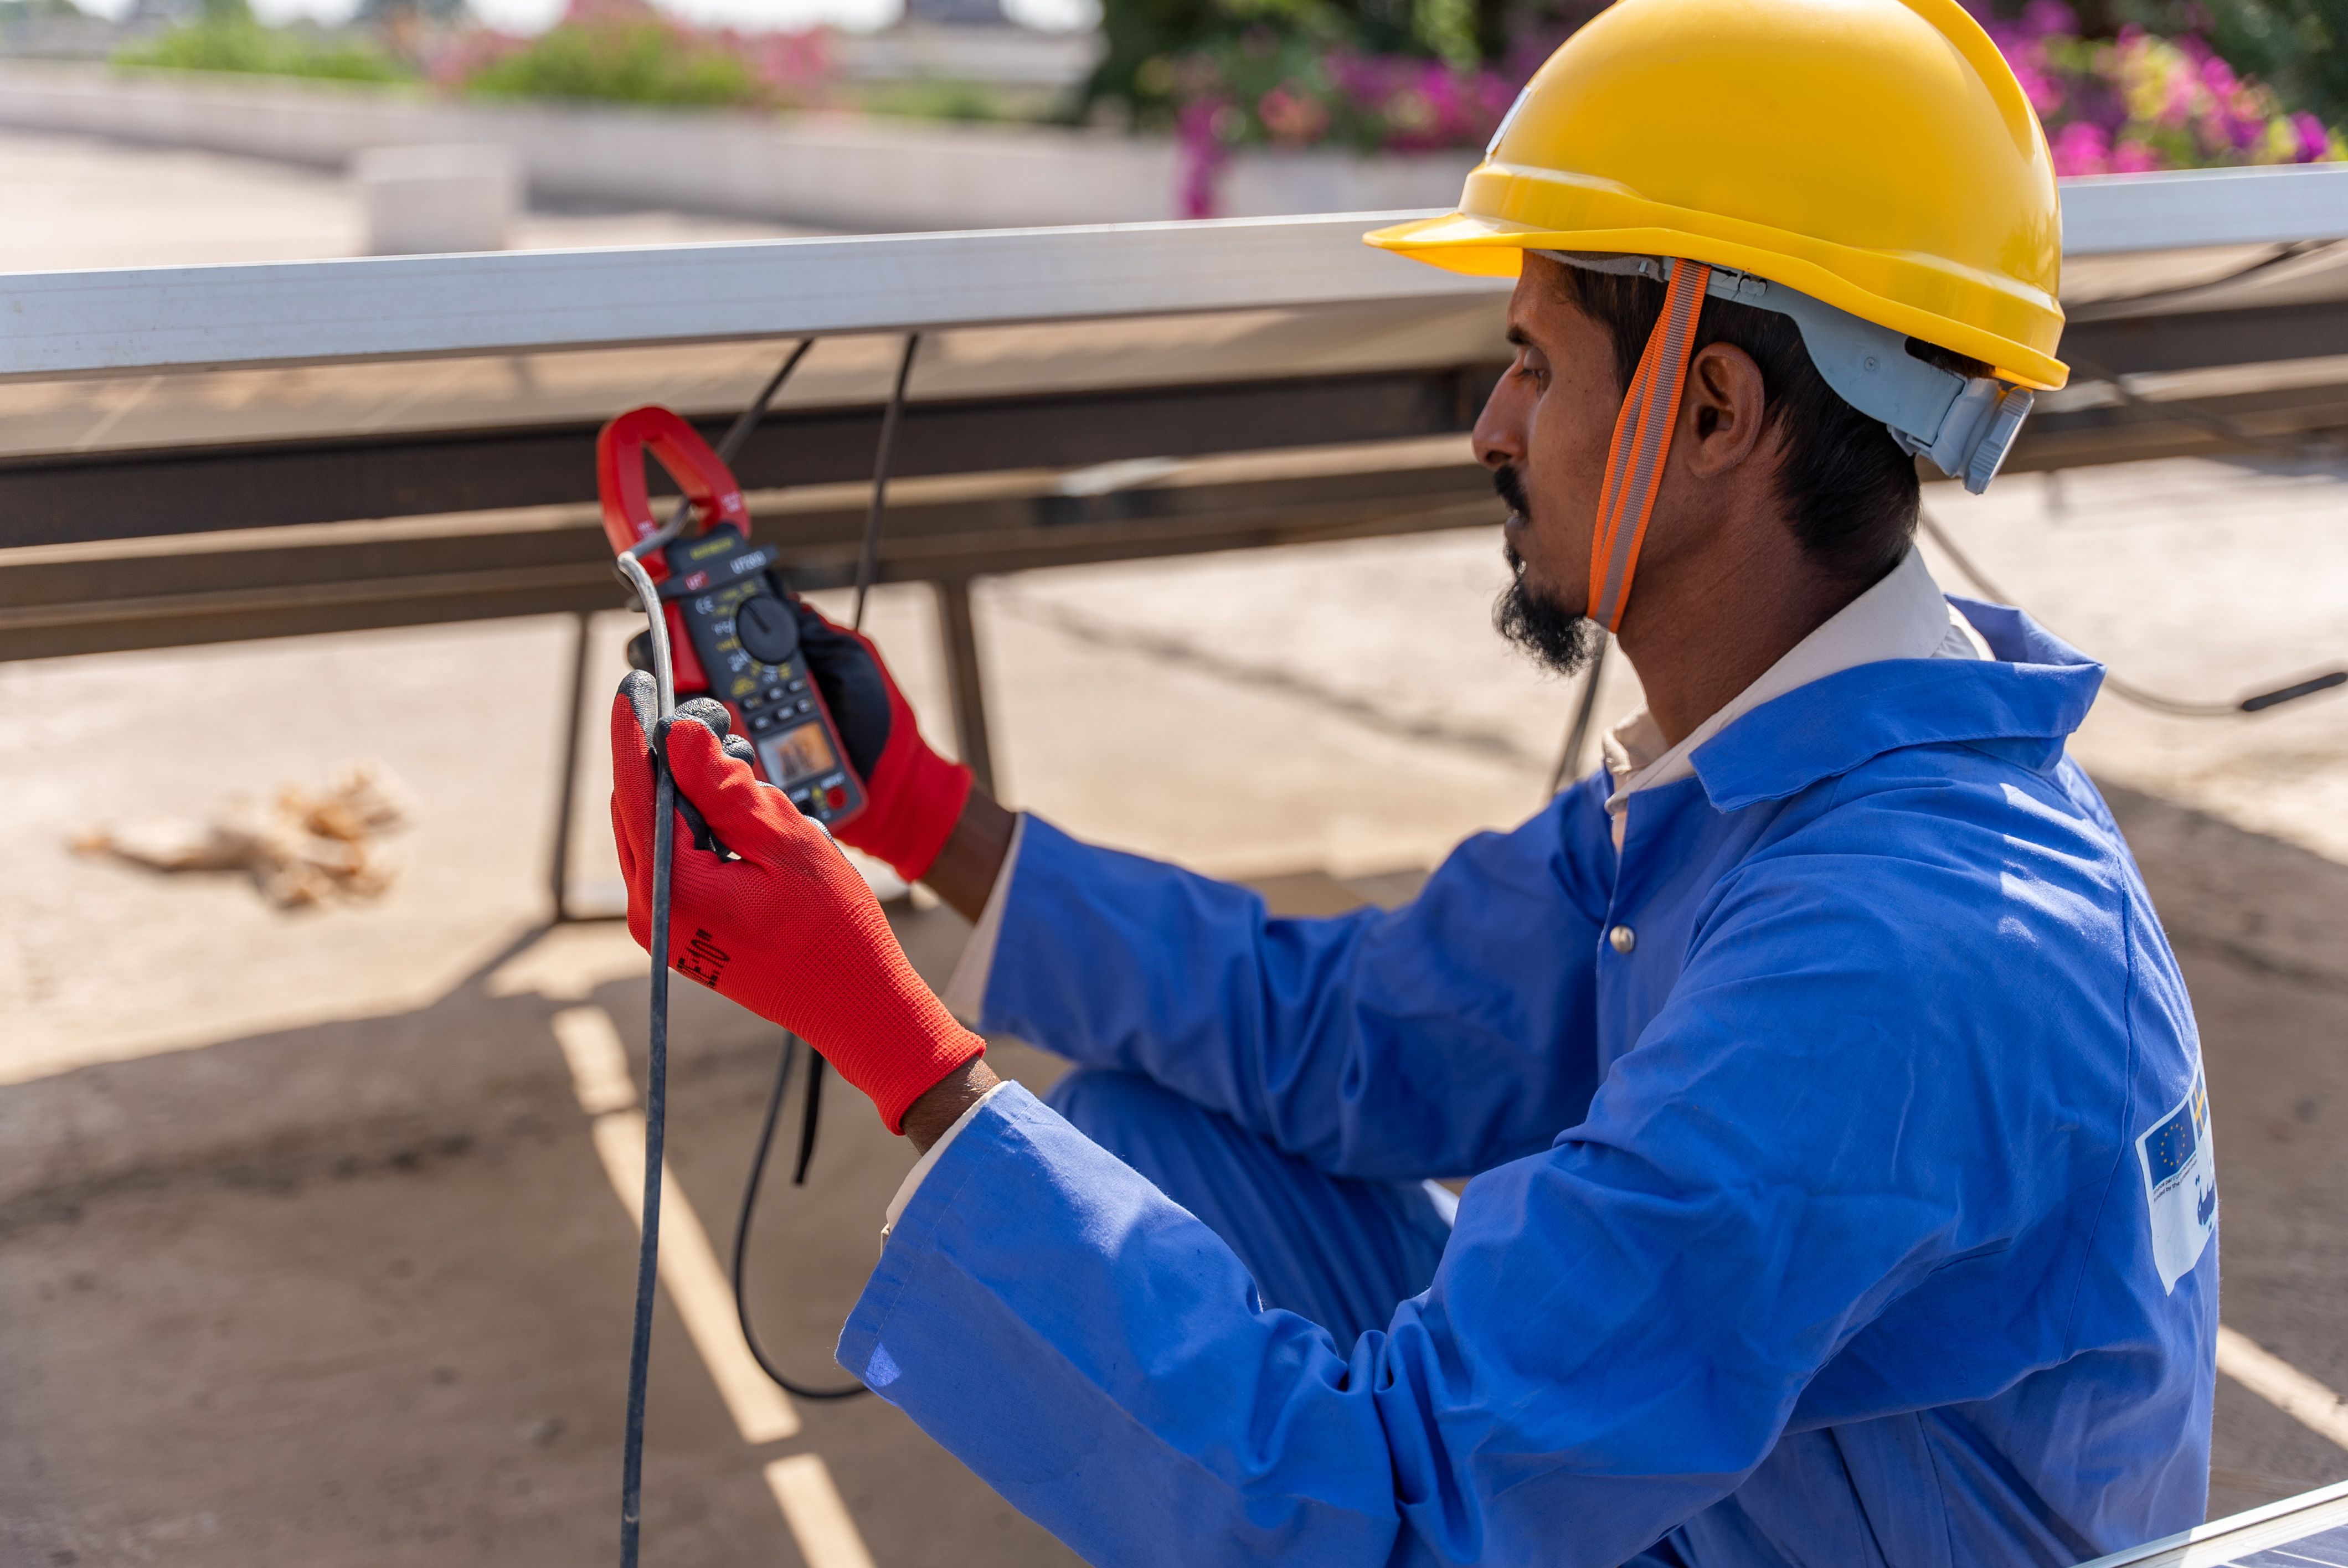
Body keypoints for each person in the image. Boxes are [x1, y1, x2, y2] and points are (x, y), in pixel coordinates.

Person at [606, 0, 2218, 1559]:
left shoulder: (1881, 966)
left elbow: (1402, 1521)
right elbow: (1354, 1031)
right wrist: (919, 813)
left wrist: (904, 1054)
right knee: (1153, 1143)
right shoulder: (1814, 779)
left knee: (1263, 1389)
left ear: (1712, 410)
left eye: (1533, 360)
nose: (1492, 427)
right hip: (1774, 1507)